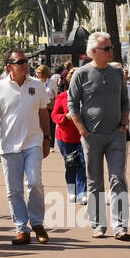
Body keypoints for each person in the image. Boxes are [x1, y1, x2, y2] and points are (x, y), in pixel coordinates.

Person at [68, 32, 130, 240]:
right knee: (94, 181)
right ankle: (98, 224)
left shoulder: (116, 73)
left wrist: (123, 125)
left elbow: (124, 100)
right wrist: (81, 129)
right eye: (106, 48)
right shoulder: (81, 73)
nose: (110, 51)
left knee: (118, 179)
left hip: (116, 134)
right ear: (93, 52)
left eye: (111, 47)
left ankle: (120, 225)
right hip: (91, 136)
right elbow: (72, 103)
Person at [0, 48, 52, 245]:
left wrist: (47, 139)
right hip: (9, 145)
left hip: (33, 142)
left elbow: (43, 114)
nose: (25, 65)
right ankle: (21, 228)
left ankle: (37, 223)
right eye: (20, 62)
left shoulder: (36, 85)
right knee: (14, 190)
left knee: (34, 182)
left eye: (26, 61)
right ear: (9, 66)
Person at [50, 75, 87, 204]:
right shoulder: (62, 96)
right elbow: (54, 116)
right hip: (66, 136)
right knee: (71, 163)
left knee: (83, 163)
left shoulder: (88, 96)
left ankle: (82, 192)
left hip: (84, 136)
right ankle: (72, 190)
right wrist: (65, 117)